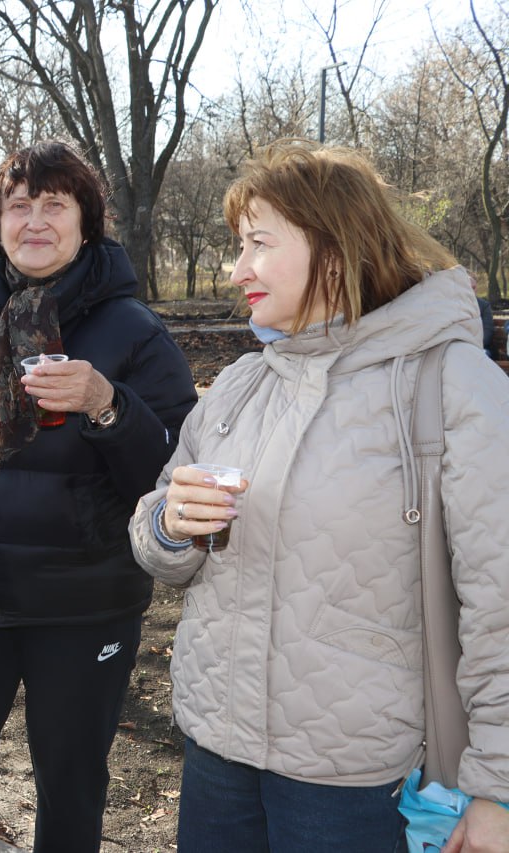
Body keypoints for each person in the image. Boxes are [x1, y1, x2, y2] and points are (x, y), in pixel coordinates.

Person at [129, 141, 509, 852]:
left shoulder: (451, 384)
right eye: (236, 247)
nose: (235, 269)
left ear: (334, 250)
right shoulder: (242, 385)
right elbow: (155, 532)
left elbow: (503, 602)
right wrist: (170, 522)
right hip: (218, 756)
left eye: (258, 245)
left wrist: (499, 791)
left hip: (354, 785)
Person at [0, 141, 198, 852]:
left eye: (56, 203)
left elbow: (178, 477)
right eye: (19, 205)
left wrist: (108, 404)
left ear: (87, 220)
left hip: (83, 609)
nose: (36, 220)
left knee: (70, 784)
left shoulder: (134, 332)